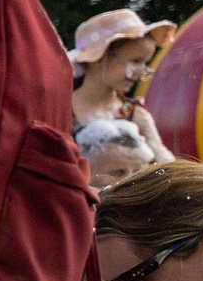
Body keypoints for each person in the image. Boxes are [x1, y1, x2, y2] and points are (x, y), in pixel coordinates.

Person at [69, 9, 176, 170]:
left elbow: (164, 162)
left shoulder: (134, 113)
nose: (140, 72)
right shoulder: (61, 110)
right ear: (98, 57)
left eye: (145, 63)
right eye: (135, 61)